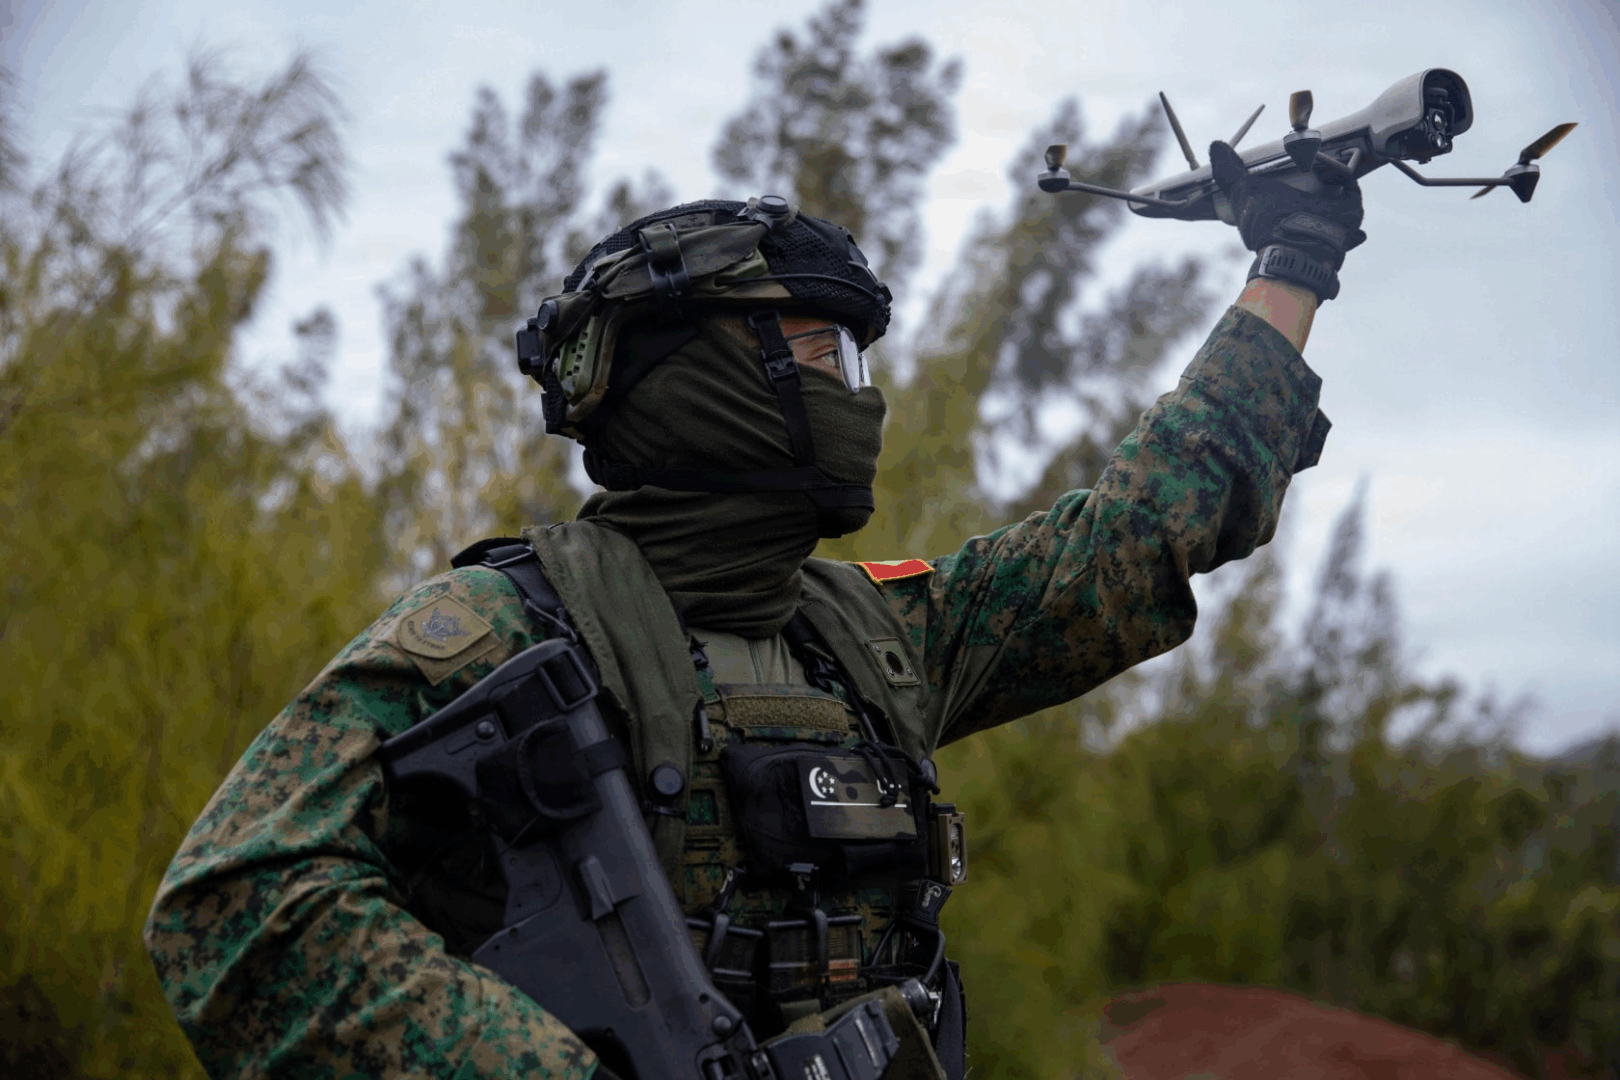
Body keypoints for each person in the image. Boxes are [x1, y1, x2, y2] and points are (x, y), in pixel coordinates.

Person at [144, 143, 1365, 1079]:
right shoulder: (501, 633)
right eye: (826, 356)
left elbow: (1131, 544)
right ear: (709, 378)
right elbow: (233, 900)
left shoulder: (868, 638)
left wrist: (1291, 266)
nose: (860, 396)